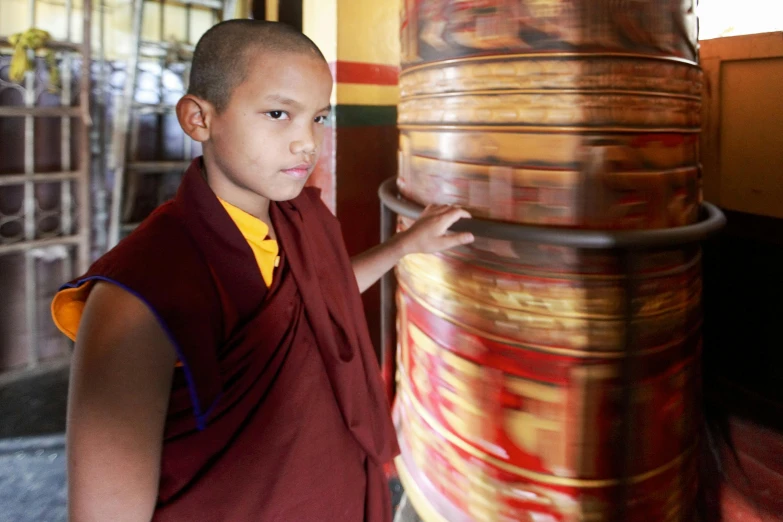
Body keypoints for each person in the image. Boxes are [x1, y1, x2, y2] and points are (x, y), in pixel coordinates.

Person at [50, 19, 474, 522]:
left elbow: (322, 296)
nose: (306, 143)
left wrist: (406, 245)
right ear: (198, 119)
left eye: (318, 118)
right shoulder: (140, 293)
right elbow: (106, 513)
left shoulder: (303, 217)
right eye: (278, 113)